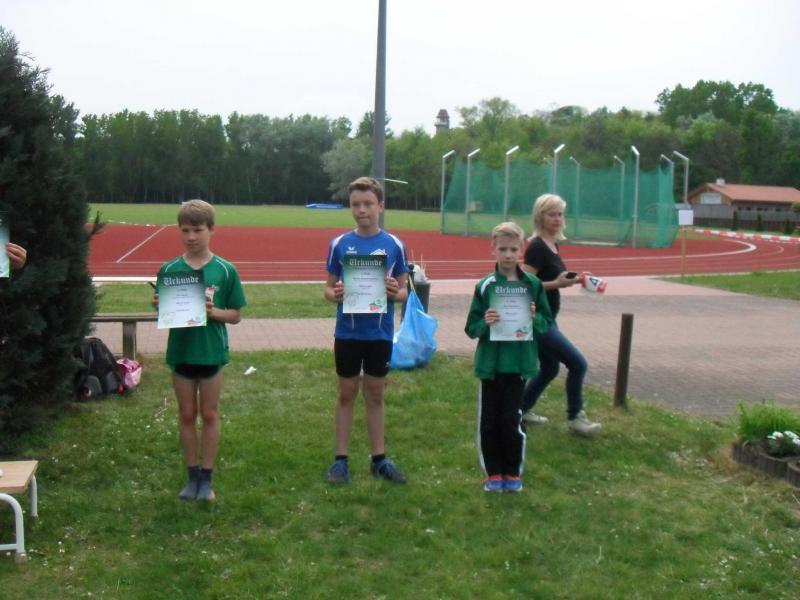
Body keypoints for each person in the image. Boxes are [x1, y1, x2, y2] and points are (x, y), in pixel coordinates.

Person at [155, 200, 246, 501]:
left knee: (208, 413)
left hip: (210, 353)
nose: (191, 237)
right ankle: (192, 475)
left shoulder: (225, 270)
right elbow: (168, 313)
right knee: (185, 413)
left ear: (211, 230)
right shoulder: (169, 269)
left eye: (197, 230)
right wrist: (160, 305)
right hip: (181, 352)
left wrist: (212, 312)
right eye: (185, 230)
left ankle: (206, 477)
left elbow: (236, 315)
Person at [324, 176, 409, 485]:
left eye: (368, 204)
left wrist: (394, 292)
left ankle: (379, 459)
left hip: (379, 333)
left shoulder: (395, 245)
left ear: (380, 206)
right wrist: (334, 294)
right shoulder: (339, 244)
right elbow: (328, 288)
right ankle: (340, 460)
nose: (362, 210)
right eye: (356, 204)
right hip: (348, 333)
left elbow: (404, 291)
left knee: (375, 394)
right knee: (346, 393)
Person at [465, 222, 552, 493]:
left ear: (521, 249)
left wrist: (534, 317)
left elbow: (546, 323)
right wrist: (486, 321)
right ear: (493, 248)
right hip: (491, 365)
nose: (508, 255)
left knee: (510, 420)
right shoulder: (485, 286)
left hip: (518, 365)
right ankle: (493, 473)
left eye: (513, 249)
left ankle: (513, 472)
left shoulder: (533, 285)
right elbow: (471, 328)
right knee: (489, 422)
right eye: (502, 249)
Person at [520, 194, 601, 436]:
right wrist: (556, 284)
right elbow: (523, 285)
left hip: (548, 317)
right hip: (537, 319)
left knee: (549, 369)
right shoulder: (537, 247)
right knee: (578, 364)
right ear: (540, 217)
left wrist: (577, 279)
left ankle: (520, 410)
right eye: (551, 214)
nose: (557, 219)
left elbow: (552, 278)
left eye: (560, 214)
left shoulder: (553, 245)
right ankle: (576, 417)